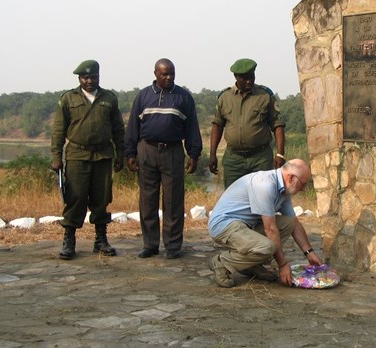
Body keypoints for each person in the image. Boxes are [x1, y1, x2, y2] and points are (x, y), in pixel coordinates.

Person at [125, 58, 202, 259]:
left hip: (172, 152)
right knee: (147, 200)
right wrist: (130, 153)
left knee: (173, 200)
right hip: (147, 151)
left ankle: (173, 245)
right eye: (164, 74)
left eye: (171, 74)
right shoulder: (143, 96)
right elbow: (133, 125)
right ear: (155, 74)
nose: (168, 78)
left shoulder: (183, 97)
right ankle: (150, 244)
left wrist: (194, 154)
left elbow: (192, 128)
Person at [51, 59, 125, 260]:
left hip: (103, 155)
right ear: (79, 79)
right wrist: (56, 157)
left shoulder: (109, 98)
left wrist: (121, 154)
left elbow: (118, 129)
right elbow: (58, 131)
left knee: (101, 198)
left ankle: (101, 240)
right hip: (77, 155)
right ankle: (69, 240)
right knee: (75, 197)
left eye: (93, 77)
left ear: (99, 77)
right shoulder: (68, 99)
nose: (89, 81)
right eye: (86, 77)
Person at [207, 159, 323, 288]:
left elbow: (295, 223)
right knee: (267, 247)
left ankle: (252, 264)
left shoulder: (283, 190)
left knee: (288, 223)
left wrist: (309, 253)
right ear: (290, 177)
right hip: (224, 225)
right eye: (303, 184)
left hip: (245, 225)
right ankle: (221, 263)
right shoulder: (265, 185)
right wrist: (283, 265)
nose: (303, 189)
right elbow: (270, 229)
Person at [209, 58, 286, 189]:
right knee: (233, 200)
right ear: (236, 77)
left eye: (251, 77)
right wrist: (212, 154)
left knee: (262, 199)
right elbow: (217, 126)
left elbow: (277, 125)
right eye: (244, 78)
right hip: (234, 160)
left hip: (260, 159)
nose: (249, 81)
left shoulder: (265, 96)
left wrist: (280, 154)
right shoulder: (224, 97)